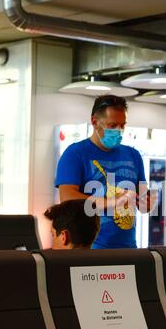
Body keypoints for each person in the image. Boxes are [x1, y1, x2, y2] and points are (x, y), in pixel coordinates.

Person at [55, 94, 156, 249]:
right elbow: (67, 197)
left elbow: (142, 201)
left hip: (128, 247)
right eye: (112, 125)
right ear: (95, 122)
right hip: (90, 248)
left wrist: (146, 203)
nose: (119, 131)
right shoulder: (75, 153)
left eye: (122, 125)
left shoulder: (133, 156)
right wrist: (113, 202)